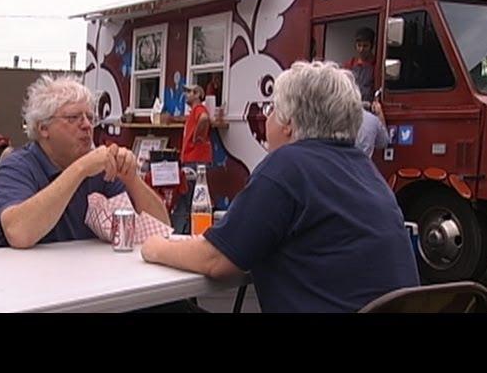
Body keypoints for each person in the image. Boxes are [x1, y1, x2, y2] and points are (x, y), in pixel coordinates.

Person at [141, 61, 420, 313]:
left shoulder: (289, 165)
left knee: (156, 309)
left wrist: (154, 247)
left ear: (289, 122)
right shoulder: (366, 170)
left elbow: (216, 260)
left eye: (271, 109)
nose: (267, 119)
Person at [0, 74, 169, 249]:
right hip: (9, 280)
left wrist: (132, 179)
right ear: (43, 128)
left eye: (90, 117)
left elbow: (163, 228)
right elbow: (18, 233)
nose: (87, 125)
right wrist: (81, 168)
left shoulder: (100, 169)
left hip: (75, 278)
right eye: (73, 118)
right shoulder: (17, 167)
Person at [170, 84, 213, 234]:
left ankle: (184, 232)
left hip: (194, 162)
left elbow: (204, 118)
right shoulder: (192, 113)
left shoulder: (198, 109)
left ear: (197, 94)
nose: (186, 95)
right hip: (195, 161)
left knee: (189, 200)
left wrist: (197, 137)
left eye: (189, 92)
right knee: (191, 200)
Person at [343, 26, 375, 102]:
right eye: (359, 45)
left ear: (372, 46)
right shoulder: (349, 64)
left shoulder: (376, 66)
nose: (361, 49)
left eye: (365, 46)